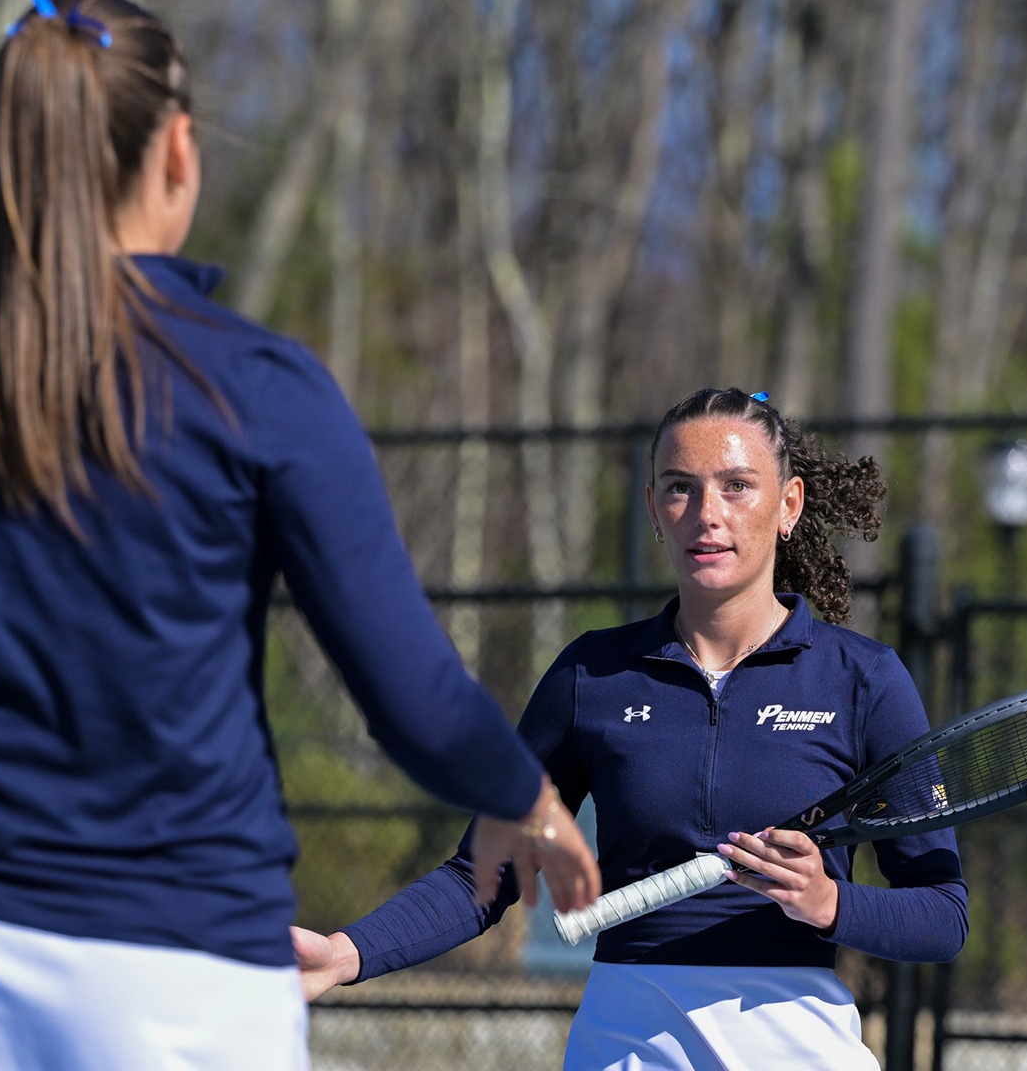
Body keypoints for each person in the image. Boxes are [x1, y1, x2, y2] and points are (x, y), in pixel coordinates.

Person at [0, 0, 597, 1068]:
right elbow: (410, 696)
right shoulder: (259, 388)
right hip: (176, 977)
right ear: (178, 151)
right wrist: (525, 796)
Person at [294, 387, 969, 1070]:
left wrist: (829, 903)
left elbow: (943, 915)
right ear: (654, 509)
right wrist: (345, 954)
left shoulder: (865, 679)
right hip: (626, 1043)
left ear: (788, 505)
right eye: (681, 489)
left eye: (738, 486)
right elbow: (482, 874)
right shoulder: (591, 673)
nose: (707, 515)